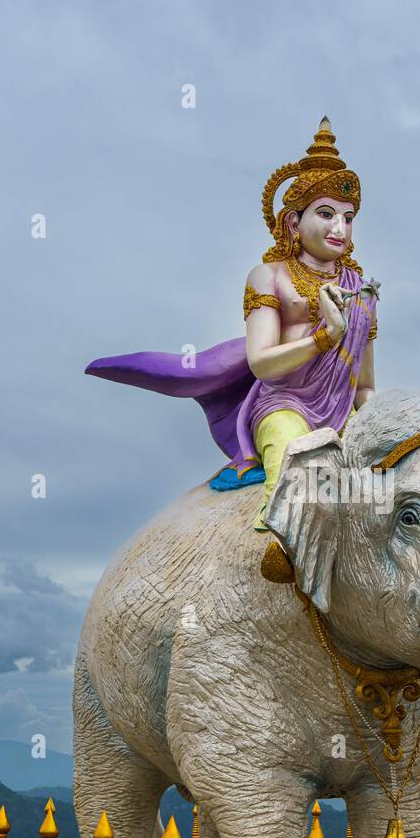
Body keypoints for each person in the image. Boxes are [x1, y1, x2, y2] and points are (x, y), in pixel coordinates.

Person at [85, 117, 378, 532]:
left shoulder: (361, 292)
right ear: (293, 223)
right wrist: (322, 338)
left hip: (343, 413)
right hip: (284, 406)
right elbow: (260, 363)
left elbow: (364, 387)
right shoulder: (270, 277)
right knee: (298, 458)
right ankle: (281, 542)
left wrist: (387, 425)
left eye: (348, 218)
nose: (339, 228)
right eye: (326, 214)